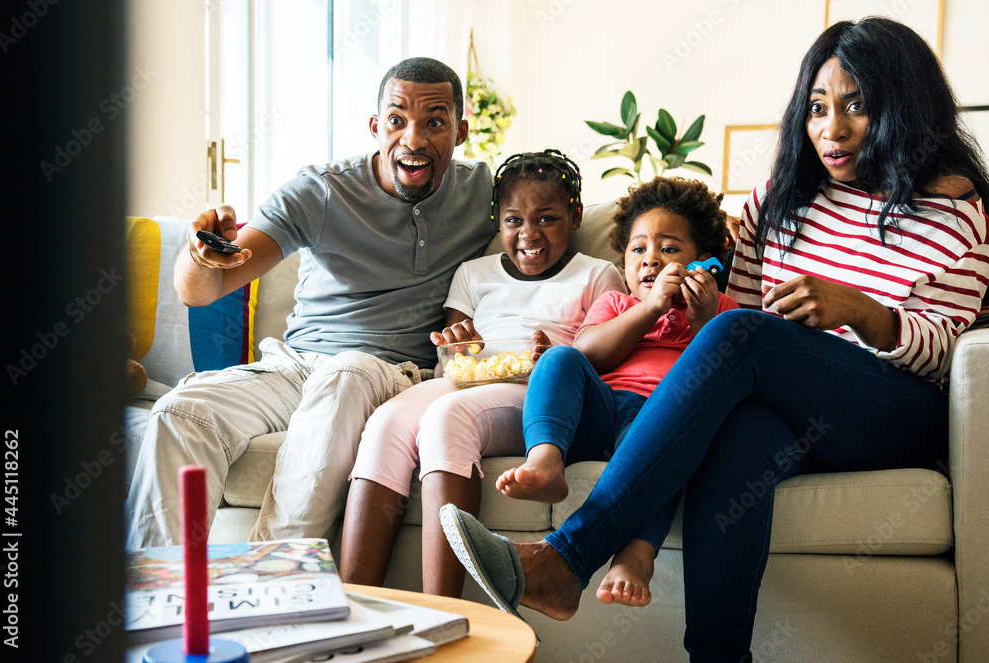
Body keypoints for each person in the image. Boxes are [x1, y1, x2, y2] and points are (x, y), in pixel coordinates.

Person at [439, 17, 989, 662]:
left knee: (740, 334)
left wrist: (861, 311)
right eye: (816, 108)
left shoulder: (955, 208)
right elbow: (747, 327)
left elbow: (947, 352)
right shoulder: (781, 200)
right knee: (742, 432)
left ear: (906, 108)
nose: (831, 130)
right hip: (789, 407)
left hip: (891, 408)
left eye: (856, 106)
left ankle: (566, 559)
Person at [126, 57, 497, 549]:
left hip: (385, 374)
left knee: (346, 374)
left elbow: (547, 229)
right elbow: (201, 291)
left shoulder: (484, 194)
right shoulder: (322, 190)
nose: (413, 138)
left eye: (434, 121)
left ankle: (275, 585)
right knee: (181, 412)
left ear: (461, 131)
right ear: (374, 126)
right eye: (396, 119)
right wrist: (201, 256)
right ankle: (159, 602)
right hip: (296, 369)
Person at [339, 150, 627, 597]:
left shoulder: (597, 274)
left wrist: (556, 354)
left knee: (447, 418)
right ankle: (356, 604)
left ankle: (444, 615)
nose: (528, 234)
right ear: (497, 220)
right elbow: (449, 359)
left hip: (540, 394)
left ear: (574, 217)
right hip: (467, 379)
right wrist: (461, 346)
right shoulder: (474, 273)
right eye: (513, 220)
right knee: (385, 424)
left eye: (546, 219)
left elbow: (603, 356)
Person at [495, 176, 738, 607]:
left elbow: (721, 377)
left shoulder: (721, 310)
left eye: (669, 249)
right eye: (639, 250)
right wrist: (650, 309)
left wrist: (703, 321)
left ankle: (635, 556)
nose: (651, 261)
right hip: (601, 413)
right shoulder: (618, 305)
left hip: (660, 424)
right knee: (559, 358)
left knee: (662, 445)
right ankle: (547, 460)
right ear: (623, 262)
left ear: (703, 262)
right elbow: (590, 354)